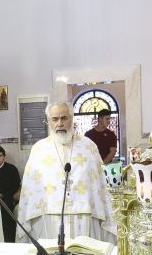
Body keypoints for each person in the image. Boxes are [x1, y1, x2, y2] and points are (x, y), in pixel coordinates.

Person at [17, 102, 115, 242]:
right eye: (55, 119)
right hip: (48, 217)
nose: (60, 123)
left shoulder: (88, 147)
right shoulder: (39, 149)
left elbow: (100, 185)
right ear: (48, 121)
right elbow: (29, 189)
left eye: (64, 118)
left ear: (72, 118)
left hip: (84, 215)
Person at [0, 146, 21, 242]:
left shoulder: (11, 169)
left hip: (7, 198)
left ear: (4, 157)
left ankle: (9, 240)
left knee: (7, 214)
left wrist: (2, 194)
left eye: (0, 156)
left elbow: (16, 185)